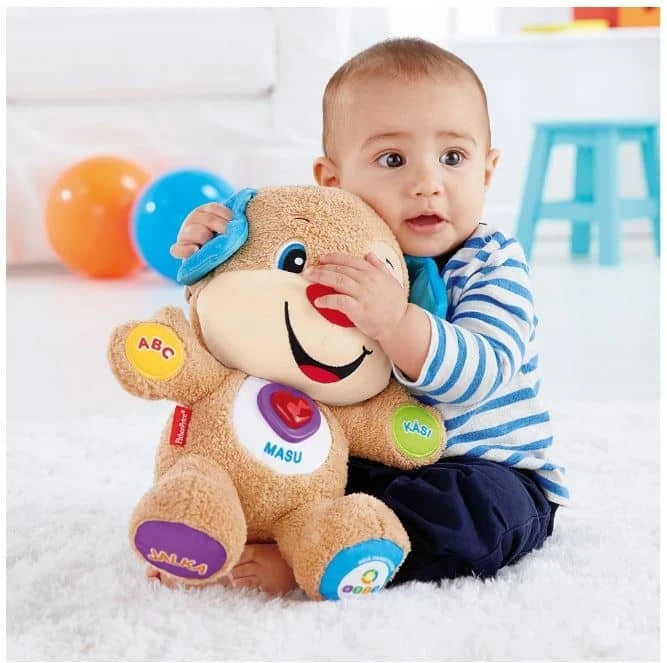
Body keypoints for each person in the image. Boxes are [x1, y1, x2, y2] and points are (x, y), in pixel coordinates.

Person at [160, 37, 569, 594]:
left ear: (487, 170)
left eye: (453, 158)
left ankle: (323, 555)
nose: (427, 183)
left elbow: (486, 369)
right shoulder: (333, 253)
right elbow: (262, 338)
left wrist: (395, 323)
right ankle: (213, 524)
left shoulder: (491, 261)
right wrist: (211, 258)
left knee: (471, 515)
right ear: (333, 180)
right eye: (393, 160)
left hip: (483, 466)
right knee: (275, 458)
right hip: (368, 453)